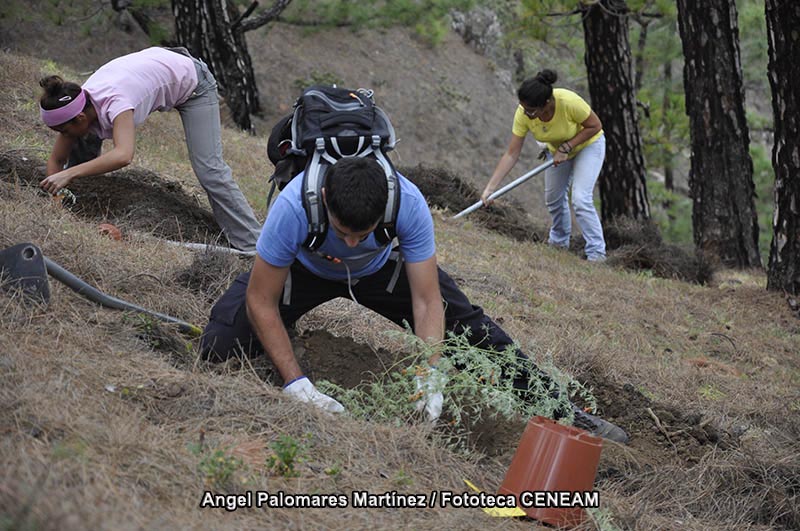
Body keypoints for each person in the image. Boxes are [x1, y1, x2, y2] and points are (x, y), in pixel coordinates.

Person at [201, 156, 628, 443]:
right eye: (342, 231)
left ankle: (559, 409)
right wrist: (296, 384)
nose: (350, 241)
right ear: (326, 201)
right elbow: (261, 297)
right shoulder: (295, 205)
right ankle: (288, 348)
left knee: (473, 331)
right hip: (305, 270)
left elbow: (427, 301)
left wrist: (430, 374)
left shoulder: (407, 203)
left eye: (362, 233)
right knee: (219, 345)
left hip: (379, 271)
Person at [37, 46, 261, 252]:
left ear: (80, 117)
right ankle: (74, 205)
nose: (62, 136)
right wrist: (56, 197)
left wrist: (69, 173)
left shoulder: (116, 101)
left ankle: (253, 245)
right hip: (162, 66)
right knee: (81, 144)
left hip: (193, 83)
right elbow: (57, 160)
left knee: (210, 169)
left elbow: (123, 155)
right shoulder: (76, 102)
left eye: (63, 131)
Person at [482, 69, 607, 262]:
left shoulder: (569, 102)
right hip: (557, 150)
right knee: (553, 198)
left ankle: (597, 254)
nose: (526, 114)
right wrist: (491, 188)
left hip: (588, 145)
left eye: (531, 110)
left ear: (546, 104)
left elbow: (595, 126)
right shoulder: (523, 114)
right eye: (523, 108)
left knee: (581, 199)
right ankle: (558, 244)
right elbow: (512, 153)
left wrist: (567, 147)